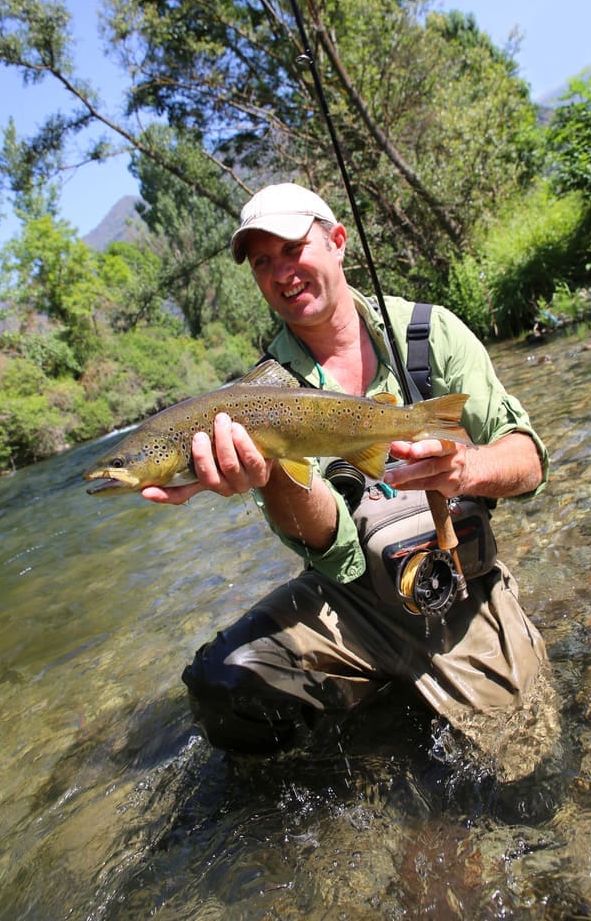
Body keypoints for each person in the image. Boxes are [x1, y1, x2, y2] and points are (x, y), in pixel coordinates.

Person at [142, 182, 553, 764]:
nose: (281, 271)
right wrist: (270, 475)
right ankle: (356, 750)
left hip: (457, 584)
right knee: (223, 685)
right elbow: (333, 548)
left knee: (522, 770)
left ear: (337, 242)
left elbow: (530, 462)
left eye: (291, 249)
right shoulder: (261, 394)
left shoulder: (429, 334)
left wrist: (464, 468)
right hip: (352, 603)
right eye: (262, 261)